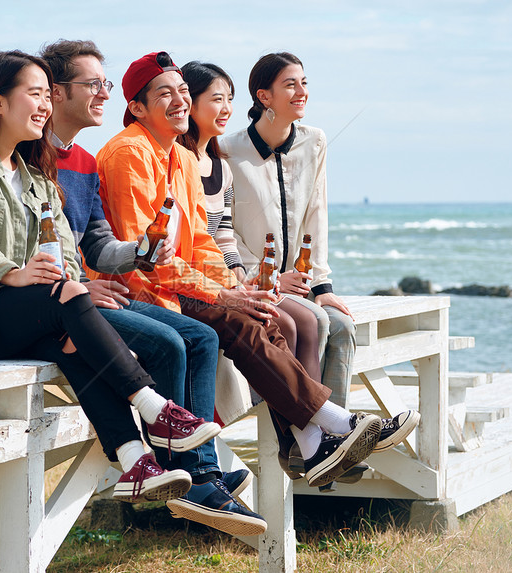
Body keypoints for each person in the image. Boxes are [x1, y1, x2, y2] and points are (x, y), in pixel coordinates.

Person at [0, 50, 219, 505]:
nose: (44, 106)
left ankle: (135, 460)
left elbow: (68, 256)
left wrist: (74, 286)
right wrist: (12, 273)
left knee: (71, 342)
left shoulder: (34, 175)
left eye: (45, 96)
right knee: (72, 302)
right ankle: (155, 409)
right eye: (33, 94)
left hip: (25, 318)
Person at [92, 51, 400, 490]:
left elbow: (200, 239)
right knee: (232, 321)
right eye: (167, 94)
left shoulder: (178, 157)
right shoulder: (129, 154)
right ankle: (326, 425)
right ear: (138, 108)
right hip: (142, 296)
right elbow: (147, 259)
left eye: (183, 91)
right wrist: (221, 294)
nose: (180, 101)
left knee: (257, 311)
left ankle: (313, 439)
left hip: (179, 288)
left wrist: (234, 284)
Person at [39, 40, 265, 536]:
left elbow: (100, 241)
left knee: (206, 337)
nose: (101, 92)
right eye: (93, 84)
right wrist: (87, 281)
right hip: (81, 302)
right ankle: (195, 472)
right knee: (176, 340)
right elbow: (37, 251)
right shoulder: (99, 156)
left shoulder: (81, 159)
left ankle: (200, 469)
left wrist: (223, 282)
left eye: (104, 83)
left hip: (97, 293)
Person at [219, 52, 420, 465]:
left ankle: (337, 449)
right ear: (264, 96)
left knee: (342, 325)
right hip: (254, 282)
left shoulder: (315, 140)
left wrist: (321, 285)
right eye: (291, 84)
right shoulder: (227, 149)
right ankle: (308, 441)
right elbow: (225, 231)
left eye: (305, 83)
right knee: (318, 322)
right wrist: (268, 276)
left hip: (299, 281)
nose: (302, 92)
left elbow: (317, 212)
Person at [176, 61, 330, 476]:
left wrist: (244, 282)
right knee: (290, 323)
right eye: (215, 99)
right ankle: (311, 435)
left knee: (312, 323)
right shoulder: (190, 158)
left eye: (228, 98)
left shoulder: (216, 162)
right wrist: (243, 285)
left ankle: (314, 438)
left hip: (229, 281)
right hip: (189, 290)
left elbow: (221, 235)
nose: (225, 107)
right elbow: (180, 245)